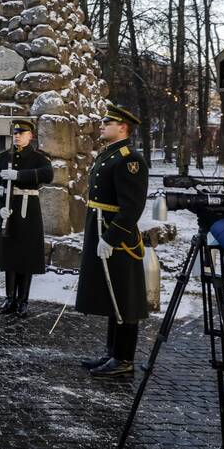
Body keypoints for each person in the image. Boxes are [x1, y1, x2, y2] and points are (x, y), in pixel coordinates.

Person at [75, 104, 149, 378]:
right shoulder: (110, 155)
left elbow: (131, 207)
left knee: (124, 298)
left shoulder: (130, 160)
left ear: (123, 127)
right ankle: (112, 352)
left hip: (118, 236)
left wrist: (111, 237)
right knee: (112, 295)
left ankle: (124, 359)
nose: (102, 125)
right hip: (100, 228)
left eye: (108, 122)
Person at [0, 119, 53, 318]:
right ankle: (9, 299)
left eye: (21, 133)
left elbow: (48, 174)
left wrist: (18, 175)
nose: (17, 136)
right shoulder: (2, 157)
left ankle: (23, 300)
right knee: (9, 256)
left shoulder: (38, 158)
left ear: (30, 136)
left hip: (28, 212)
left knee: (26, 257)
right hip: (8, 212)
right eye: (15, 133)